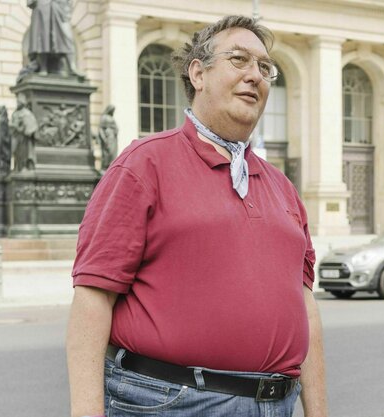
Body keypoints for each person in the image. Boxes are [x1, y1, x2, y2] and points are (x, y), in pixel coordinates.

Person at [66, 16, 327, 417]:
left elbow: (304, 304)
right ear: (198, 73)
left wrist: (318, 412)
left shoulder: (282, 187)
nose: (254, 76)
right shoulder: (143, 164)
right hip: (172, 404)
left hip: (276, 405)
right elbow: (93, 296)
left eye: (264, 67)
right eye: (239, 60)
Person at [26, 0, 80, 76]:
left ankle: (71, 66)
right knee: (43, 36)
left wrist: (68, 7)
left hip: (61, 7)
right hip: (43, 6)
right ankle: (43, 67)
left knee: (66, 36)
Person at [10, 95, 38, 172]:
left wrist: (23, 129)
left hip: (24, 139)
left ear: (22, 103)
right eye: (17, 102)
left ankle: (25, 167)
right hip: (16, 137)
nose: (17, 103)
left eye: (18, 102)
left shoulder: (27, 113)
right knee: (17, 153)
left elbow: (31, 127)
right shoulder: (15, 113)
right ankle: (18, 167)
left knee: (24, 153)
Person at [97, 105, 118, 170]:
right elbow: (100, 129)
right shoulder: (104, 117)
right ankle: (106, 167)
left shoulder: (111, 117)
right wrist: (104, 138)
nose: (113, 111)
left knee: (113, 153)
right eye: (112, 110)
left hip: (113, 137)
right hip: (108, 137)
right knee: (108, 152)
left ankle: (111, 167)